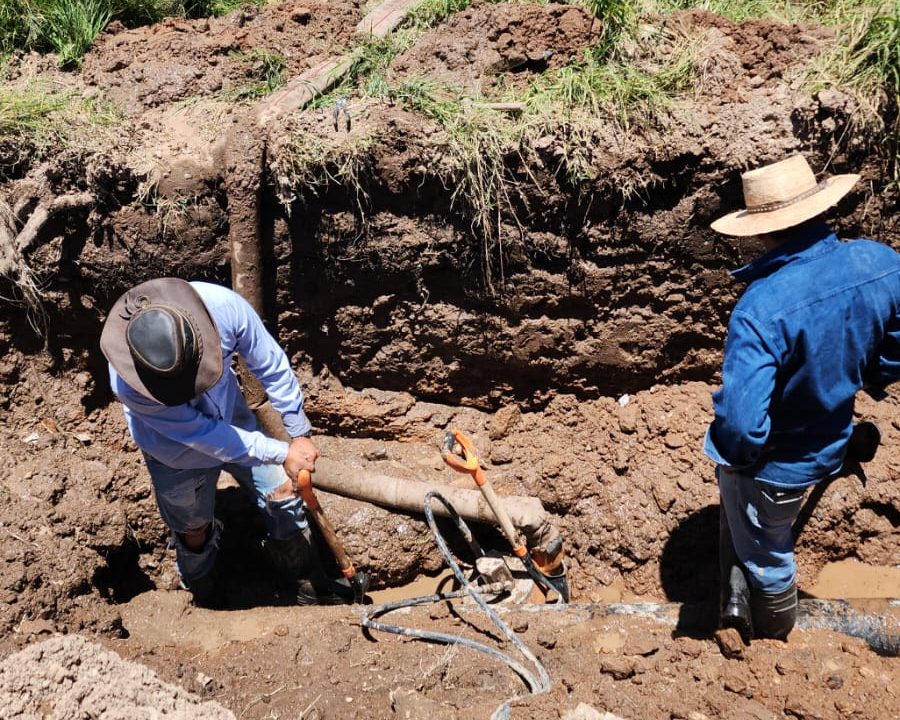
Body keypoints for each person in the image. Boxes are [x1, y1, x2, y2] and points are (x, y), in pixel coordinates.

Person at [704, 154, 899, 642]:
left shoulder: (760, 310)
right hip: (832, 432)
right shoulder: (881, 262)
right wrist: (868, 374)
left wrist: (747, 459)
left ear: (758, 229)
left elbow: (744, 426)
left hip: (778, 472)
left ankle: (774, 637)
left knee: (768, 558)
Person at [101, 277, 346, 607]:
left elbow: (270, 365)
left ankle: (304, 583)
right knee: (193, 530)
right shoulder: (129, 383)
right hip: (175, 453)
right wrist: (282, 451)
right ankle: (205, 596)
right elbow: (204, 436)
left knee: (284, 495)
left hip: (235, 420)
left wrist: (298, 432)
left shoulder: (223, 308)